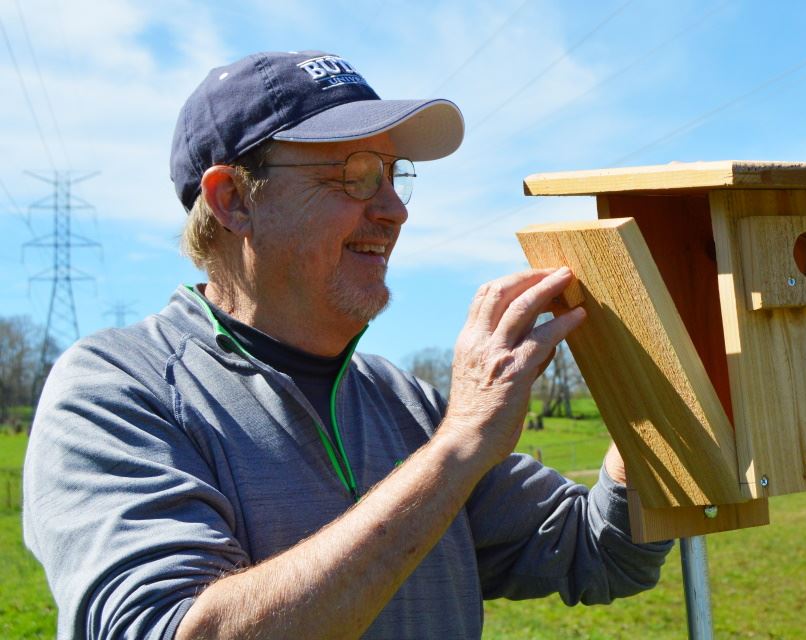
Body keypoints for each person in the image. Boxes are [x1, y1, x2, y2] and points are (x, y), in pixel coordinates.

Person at [22, 50, 670, 639]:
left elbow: (599, 552)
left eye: (394, 174)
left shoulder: (404, 403)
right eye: (356, 174)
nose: (394, 209)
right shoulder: (118, 390)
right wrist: (456, 450)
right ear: (233, 200)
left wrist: (663, 390)